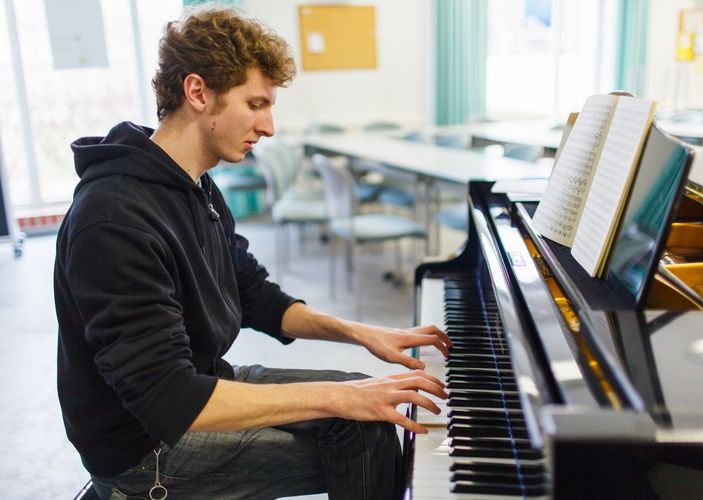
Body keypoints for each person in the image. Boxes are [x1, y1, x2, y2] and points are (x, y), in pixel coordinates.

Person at [54, 5, 450, 500]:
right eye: (257, 103)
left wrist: (362, 333)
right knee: (364, 434)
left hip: (199, 383)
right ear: (198, 92)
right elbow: (167, 399)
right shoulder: (114, 219)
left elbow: (253, 295)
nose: (269, 127)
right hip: (144, 445)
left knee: (363, 402)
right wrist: (339, 397)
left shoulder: (194, 186)